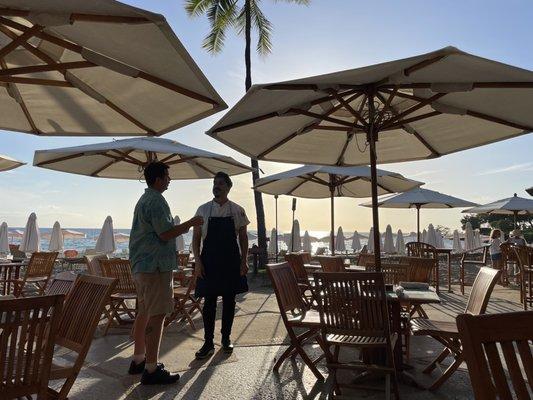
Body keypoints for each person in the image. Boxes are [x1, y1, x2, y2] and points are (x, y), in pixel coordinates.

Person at [128, 161, 203, 385]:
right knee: (157, 315)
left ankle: (139, 359)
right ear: (159, 178)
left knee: (144, 312)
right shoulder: (156, 201)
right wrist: (191, 222)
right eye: (168, 177)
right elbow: (165, 233)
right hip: (155, 267)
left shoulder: (144, 199)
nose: (170, 180)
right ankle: (151, 369)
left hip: (142, 266)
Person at [192, 171, 249, 359]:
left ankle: (226, 338)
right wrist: (198, 262)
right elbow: (196, 238)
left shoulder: (238, 210)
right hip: (208, 261)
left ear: (228, 187)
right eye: (215, 183)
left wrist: (244, 260)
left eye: (220, 183)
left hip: (230, 260)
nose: (216, 186)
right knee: (208, 303)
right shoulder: (202, 210)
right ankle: (208, 342)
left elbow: (243, 238)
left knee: (229, 302)